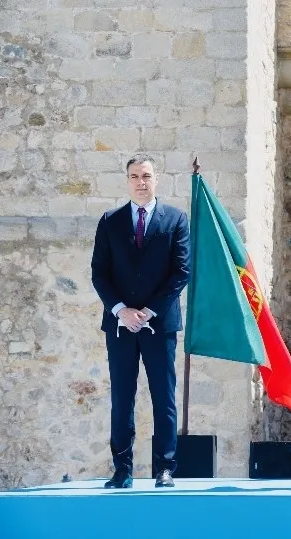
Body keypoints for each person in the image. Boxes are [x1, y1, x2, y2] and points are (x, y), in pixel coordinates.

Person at [91, 154, 191, 488]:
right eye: (134, 176)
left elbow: (181, 272)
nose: (140, 182)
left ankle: (165, 468)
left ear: (156, 178)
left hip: (159, 324)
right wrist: (121, 310)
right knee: (122, 398)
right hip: (119, 325)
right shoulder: (110, 221)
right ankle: (122, 470)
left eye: (146, 175)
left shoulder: (175, 219)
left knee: (164, 397)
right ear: (127, 180)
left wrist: (148, 311)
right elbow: (99, 273)